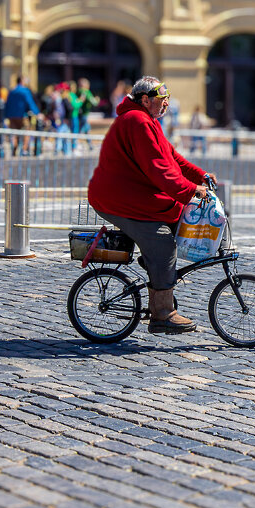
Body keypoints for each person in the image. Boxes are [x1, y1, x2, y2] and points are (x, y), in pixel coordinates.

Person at [88, 77, 215, 335]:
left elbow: (172, 158)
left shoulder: (147, 121)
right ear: (145, 100)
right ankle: (162, 314)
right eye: (160, 101)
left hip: (130, 194)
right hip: (118, 199)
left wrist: (200, 175)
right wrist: (192, 190)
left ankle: (156, 268)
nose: (166, 105)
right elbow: (160, 171)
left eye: (167, 100)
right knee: (162, 242)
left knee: (175, 217)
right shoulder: (137, 122)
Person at [3, 76, 41, 156]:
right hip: (22, 116)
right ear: (22, 81)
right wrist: (37, 113)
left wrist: (6, 115)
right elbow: (30, 103)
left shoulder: (12, 91)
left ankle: (14, 149)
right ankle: (24, 150)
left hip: (12, 116)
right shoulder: (25, 91)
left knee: (14, 133)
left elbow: (7, 104)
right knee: (26, 132)